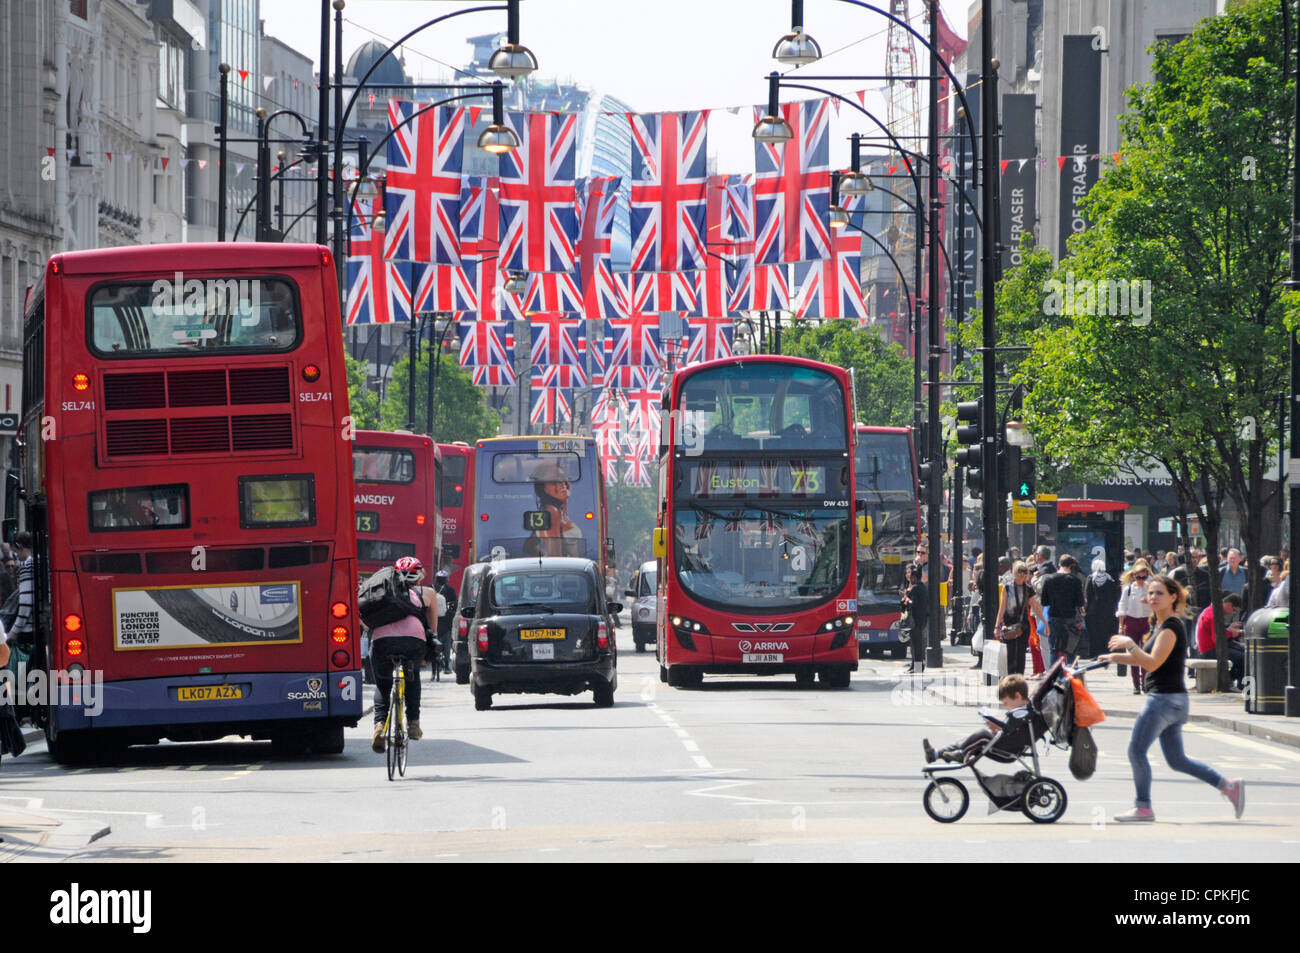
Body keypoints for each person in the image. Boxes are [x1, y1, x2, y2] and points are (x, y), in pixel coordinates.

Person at [1103, 575, 1245, 822]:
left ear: (1173, 597)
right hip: (1174, 700)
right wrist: (1114, 658)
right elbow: (1146, 657)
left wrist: (1129, 644)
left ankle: (1143, 807)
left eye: (1159, 593)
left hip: (1164, 700)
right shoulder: (1160, 626)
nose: (1153, 597)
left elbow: (1153, 663)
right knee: (1177, 760)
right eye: (1151, 593)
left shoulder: (1170, 627)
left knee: (1136, 751)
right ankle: (1228, 786)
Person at [370, 556, 438, 752]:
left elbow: (366, 619)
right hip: (413, 643)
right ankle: (413, 724)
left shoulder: (383, 592)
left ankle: (380, 726)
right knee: (413, 677)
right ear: (420, 574)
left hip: (382, 642)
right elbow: (432, 630)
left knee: (383, 685)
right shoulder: (427, 593)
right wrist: (427, 654)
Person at [922, 674, 1032, 764]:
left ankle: (960, 754)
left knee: (982, 734)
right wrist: (996, 727)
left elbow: (1011, 731)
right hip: (1005, 743)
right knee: (967, 740)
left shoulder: (1021, 713)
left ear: (1017, 696)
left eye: (1006, 703)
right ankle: (937, 753)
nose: (1006, 706)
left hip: (1008, 750)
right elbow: (1010, 730)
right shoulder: (1020, 712)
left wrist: (995, 725)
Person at [991, 561, 1045, 676]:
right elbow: (1002, 607)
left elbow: (1035, 606)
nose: (1022, 574)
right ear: (1015, 572)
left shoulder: (1028, 589)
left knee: (1021, 654)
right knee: (1010, 653)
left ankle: (1019, 677)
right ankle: (1010, 677)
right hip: (1009, 624)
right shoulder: (1007, 587)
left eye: (1025, 572)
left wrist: (1044, 622)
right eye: (1020, 571)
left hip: (1023, 625)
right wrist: (997, 626)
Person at [522, 462, 584, 557]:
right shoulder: (552, 512)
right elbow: (555, 556)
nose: (562, 484)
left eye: (563, 478)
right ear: (544, 488)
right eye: (553, 481)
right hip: (567, 570)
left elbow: (528, 546)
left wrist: (543, 556)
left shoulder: (556, 512)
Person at [1116, 558, 1152, 695]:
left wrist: (1149, 601)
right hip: (1131, 622)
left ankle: (1145, 682)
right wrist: (1121, 625)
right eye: (1139, 577)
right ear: (1134, 576)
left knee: (1145, 654)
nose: (1141, 580)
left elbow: (1158, 604)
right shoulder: (1128, 590)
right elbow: (1122, 607)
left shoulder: (1151, 588)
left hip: (1146, 622)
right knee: (1133, 654)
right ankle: (1136, 684)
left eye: (1144, 577)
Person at [1040, 553, 1086, 661]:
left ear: (1059, 564)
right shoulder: (1075, 581)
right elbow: (1079, 602)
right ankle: (1070, 675)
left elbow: (1044, 602)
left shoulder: (1048, 579)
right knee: (1070, 650)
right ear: (1071, 565)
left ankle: (1054, 675)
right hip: (1070, 618)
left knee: (1054, 649)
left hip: (1054, 617)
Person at [1195, 593, 1245, 687]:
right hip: (1210, 650)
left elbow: (1216, 632)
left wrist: (1228, 629)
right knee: (1244, 657)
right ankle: (1237, 683)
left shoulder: (1212, 610)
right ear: (1229, 604)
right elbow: (1217, 639)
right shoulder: (1214, 615)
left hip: (1210, 647)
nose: (1232, 613)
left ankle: (1232, 680)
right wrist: (1232, 633)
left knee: (1245, 650)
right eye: (1233, 610)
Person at [1085, 557, 1120, 658]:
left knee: (1094, 633)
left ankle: (1094, 653)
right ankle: (1106, 651)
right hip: (1107, 611)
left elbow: (1087, 594)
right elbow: (1115, 595)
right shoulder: (1110, 579)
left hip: (1093, 611)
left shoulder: (1091, 578)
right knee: (1106, 632)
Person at [901, 563, 928, 673]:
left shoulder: (915, 589)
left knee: (916, 645)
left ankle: (917, 667)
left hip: (915, 620)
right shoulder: (923, 587)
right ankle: (914, 666)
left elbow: (908, 603)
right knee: (916, 644)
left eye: (912, 577)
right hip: (921, 619)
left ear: (914, 578)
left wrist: (905, 598)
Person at [433, 569, 457, 676]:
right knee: (447, 642)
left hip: (432, 620)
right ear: (447, 580)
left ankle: (431, 662)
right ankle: (447, 665)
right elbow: (454, 606)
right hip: (446, 621)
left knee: (432, 641)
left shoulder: (430, 588)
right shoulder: (451, 590)